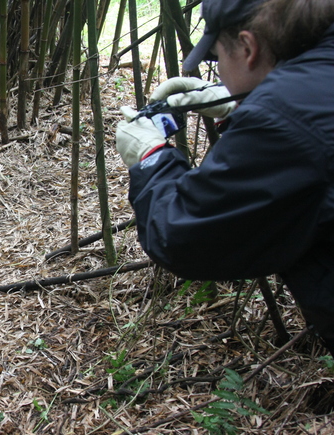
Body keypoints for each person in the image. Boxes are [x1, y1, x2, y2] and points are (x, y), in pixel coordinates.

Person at [115, 0, 334, 355]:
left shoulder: (285, 120)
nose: (219, 72)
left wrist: (150, 157)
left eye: (217, 58)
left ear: (248, 48)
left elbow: (184, 235)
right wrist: (246, 101)